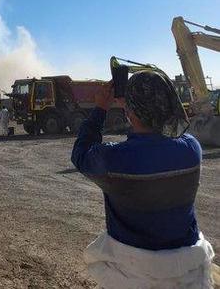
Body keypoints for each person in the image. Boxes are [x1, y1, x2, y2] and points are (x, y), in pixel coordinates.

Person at [71, 72, 215, 289]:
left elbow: (80, 153)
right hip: (189, 272)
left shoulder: (113, 159)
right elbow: (174, 131)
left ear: (129, 112)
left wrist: (100, 108)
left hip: (131, 273)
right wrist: (134, 107)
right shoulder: (192, 149)